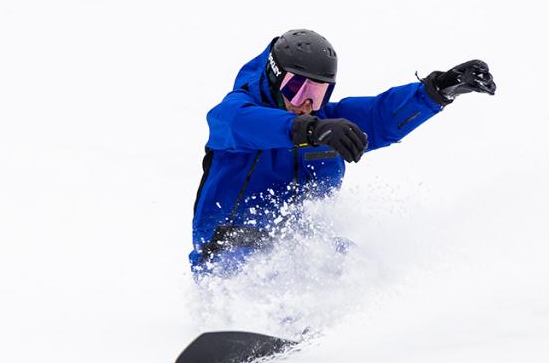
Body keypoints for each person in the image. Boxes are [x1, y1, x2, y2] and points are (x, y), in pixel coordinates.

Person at [190, 29, 496, 270]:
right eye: (297, 88)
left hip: (298, 252)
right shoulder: (237, 113)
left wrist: (439, 89)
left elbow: (380, 117)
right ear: (274, 78)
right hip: (226, 250)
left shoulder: (327, 122)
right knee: (263, 270)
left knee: (357, 265)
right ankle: (255, 324)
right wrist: (308, 130)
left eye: (318, 91)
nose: (307, 102)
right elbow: (237, 123)